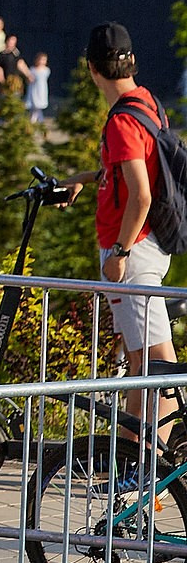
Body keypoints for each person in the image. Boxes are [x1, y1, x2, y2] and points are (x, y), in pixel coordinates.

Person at [83, 22, 178, 381]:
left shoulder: (122, 121)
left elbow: (141, 192)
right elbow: (136, 170)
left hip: (132, 249)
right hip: (148, 242)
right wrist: (84, 180)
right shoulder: (148, 103)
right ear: (132, 61)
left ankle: (155, 440)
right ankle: (129, 439)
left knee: (157, 363)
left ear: (92, 68)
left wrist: (120, 253)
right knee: (140, 363)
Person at [26, 52, 52, 123]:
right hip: (34, 90)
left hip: (41, 90)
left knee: (38, 107)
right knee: (34, 106)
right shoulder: (32, 69)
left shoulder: (46, 70)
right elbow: (29, 79)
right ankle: (36, 120)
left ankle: (36, 120)